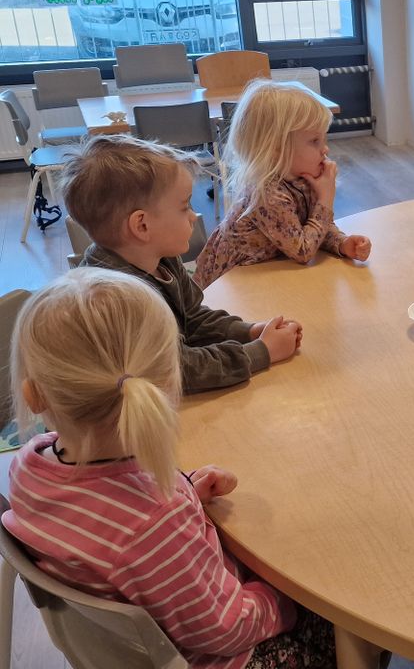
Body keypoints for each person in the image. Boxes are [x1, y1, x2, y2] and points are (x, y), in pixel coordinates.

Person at [2, 268, 335, 669]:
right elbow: (226, 629)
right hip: (228, 657)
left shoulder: (29, 465)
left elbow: (107, 522)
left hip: (138, 638)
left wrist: (185, 489)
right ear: (167, 382)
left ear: (34, 395)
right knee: (338, 594)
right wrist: (284, 597)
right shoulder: (155, 520)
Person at [62, 134, 302, 395]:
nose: (193, 216)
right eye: (184, 207)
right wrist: (262, 351)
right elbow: (178, 369)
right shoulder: (115, 298)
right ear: (142, 225)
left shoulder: (160, 256)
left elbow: (193, 319)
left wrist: (249, 332)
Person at [194, 80, 371, 289]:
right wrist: (326, 198)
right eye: (314, 141)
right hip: (231, 284)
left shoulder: (302, 178)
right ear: (276, 148)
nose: (325, 149)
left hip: (267, 272)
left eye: (324, 139)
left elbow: (314, 226)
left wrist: (341, 243)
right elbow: (303, 250)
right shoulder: (267, 193)